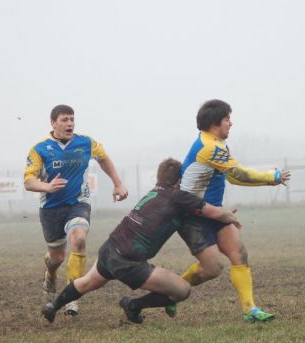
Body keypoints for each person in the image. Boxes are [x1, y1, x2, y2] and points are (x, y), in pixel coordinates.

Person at [41, 158, 241, 324]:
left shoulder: (154, 192)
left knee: (86, 283)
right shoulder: (178, 197)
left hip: (110, 248)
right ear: (179, 180)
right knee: (182, 290)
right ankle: (133, 305)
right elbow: (214, 212)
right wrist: (229, 216)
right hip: (129, 262)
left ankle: (53, 306)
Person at [172, 99, 291, 322]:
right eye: (227, 119)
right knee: (212, 269)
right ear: (215, 123)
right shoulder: (210, 147)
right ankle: (171, 292)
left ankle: (250, 310)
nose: (231, 123)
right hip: (193, 217)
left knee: (239, 254)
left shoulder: (215, 143)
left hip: (214, 213)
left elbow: (232, 178)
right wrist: (271, 176)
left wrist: (269, 183)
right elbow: (239, 173)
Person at [24, 104, 128, 316]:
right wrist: (47, 186)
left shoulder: (86, 142)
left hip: (78, 203)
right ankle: (51, 274)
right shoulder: (40, 149)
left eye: (72, 119)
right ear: (53, 123)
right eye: (64, 119)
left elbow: (103, 158)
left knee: (79, 240)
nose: (70, 123)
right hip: (51, 208)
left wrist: (117, 183)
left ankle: (72, 297)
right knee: (57, 258)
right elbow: (28, 181)